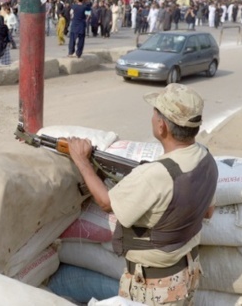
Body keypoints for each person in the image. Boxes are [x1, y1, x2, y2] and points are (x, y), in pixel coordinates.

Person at [66, 83, 217, 305]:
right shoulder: (205, 158)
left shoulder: (155, 174)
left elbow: (106, 203)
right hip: (187, 272)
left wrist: (81, 160)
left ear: (162, 126)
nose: (152, 117)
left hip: (153, 287)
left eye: (155, 112)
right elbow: (209, 212)